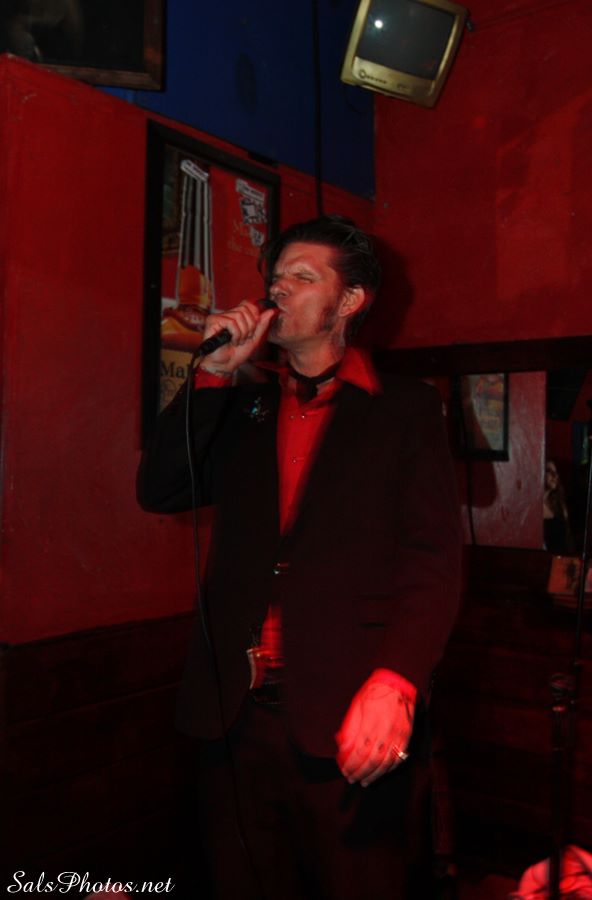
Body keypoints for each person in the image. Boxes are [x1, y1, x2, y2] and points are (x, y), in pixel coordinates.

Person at [137, 215, 462, 899]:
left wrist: (397, 680)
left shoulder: (405, 409)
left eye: (302, 277)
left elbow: (432, 560)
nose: (277, 290)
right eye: (275, 277)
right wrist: (213, 375)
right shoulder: (242, 404)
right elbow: (159, 488)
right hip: (234, 717)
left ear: (349, 301)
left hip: (347, 715)